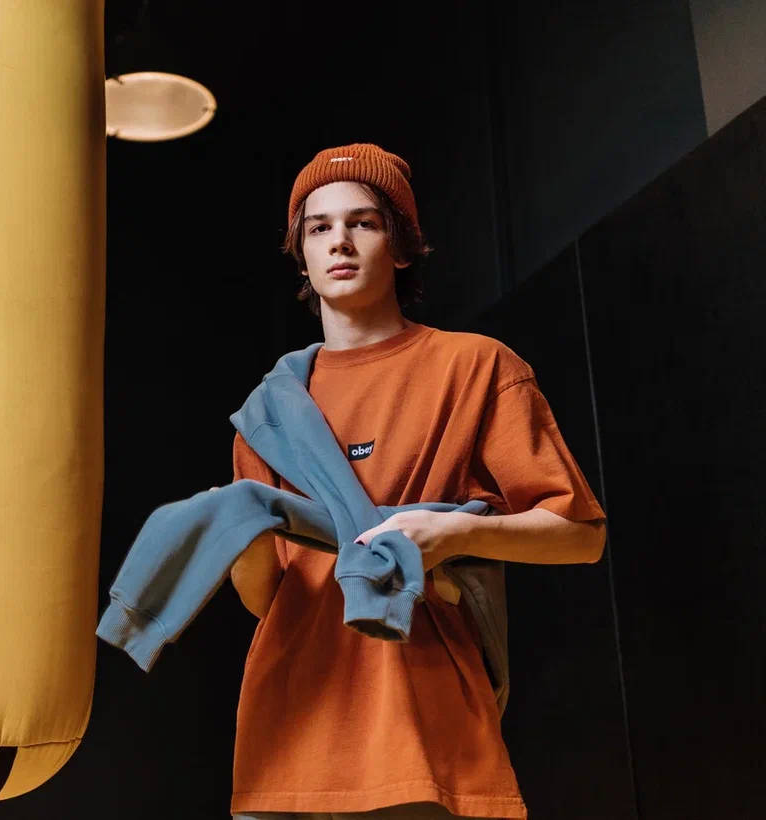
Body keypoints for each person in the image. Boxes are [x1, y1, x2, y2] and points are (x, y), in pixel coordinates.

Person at [225, 143, 608, 820]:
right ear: (302, 256)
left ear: (401, 247)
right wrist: (240, 539)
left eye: (364, 222)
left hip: (424, 728)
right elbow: (269, 599)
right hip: (290, 735)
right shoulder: (270, 411)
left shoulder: (475, 367)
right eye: (318, 228)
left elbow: (580, 536)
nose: (339, 241)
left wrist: (455, 533)